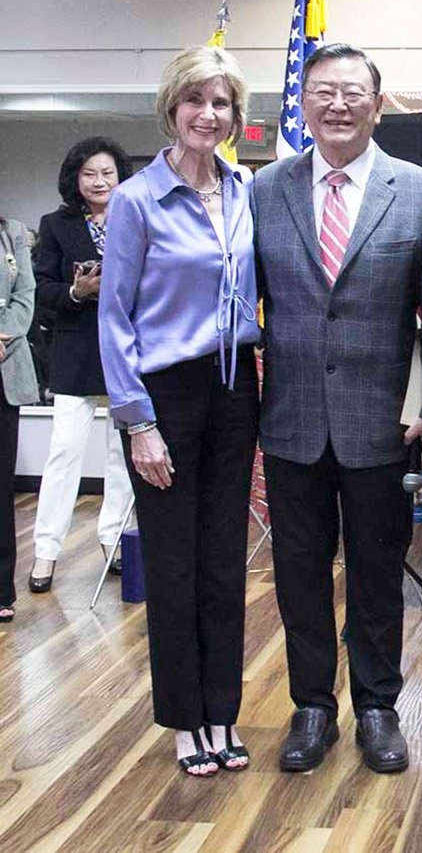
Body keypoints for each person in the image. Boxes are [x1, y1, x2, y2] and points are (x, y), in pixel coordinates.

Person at [254, 43, 422, 775]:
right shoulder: (263, 190)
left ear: (378, 104)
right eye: (324, 91)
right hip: (291, 418)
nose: (338, 105)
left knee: (377, 572)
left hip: (384, 420)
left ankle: (376, 707)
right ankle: (311, 706)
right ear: (303, 103)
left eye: (353, 92)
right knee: (298, 573)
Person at [99, 46, 261, 777]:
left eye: (221, 102)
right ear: (172, 107)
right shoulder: (137, 200)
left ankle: (222, 709)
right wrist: (138, 422)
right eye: (195, 99)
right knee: (173, 563)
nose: (208, 114)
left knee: (225, 561)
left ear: (236, 115)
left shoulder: (245, 187)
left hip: (235, 386)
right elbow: (113, 319)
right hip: (164, 393)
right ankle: (184, 718)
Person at [30, 137, 135, 593]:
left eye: (107, 173)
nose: (99, 181)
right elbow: (42, 290)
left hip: (126, 352)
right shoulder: (55, 225)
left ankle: (114, 541)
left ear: (121, 177)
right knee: (64, 453)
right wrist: (78, 292)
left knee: (122, 457)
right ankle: (45, 552)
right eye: (89, 173)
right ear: (75, 179)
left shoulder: (136, 218)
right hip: (75, 353)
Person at [0, 217, 40, 623]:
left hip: (4, 366)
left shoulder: (11, 232)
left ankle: (0, 589)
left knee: (1, 489)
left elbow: (24, 293)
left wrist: (4, 334)